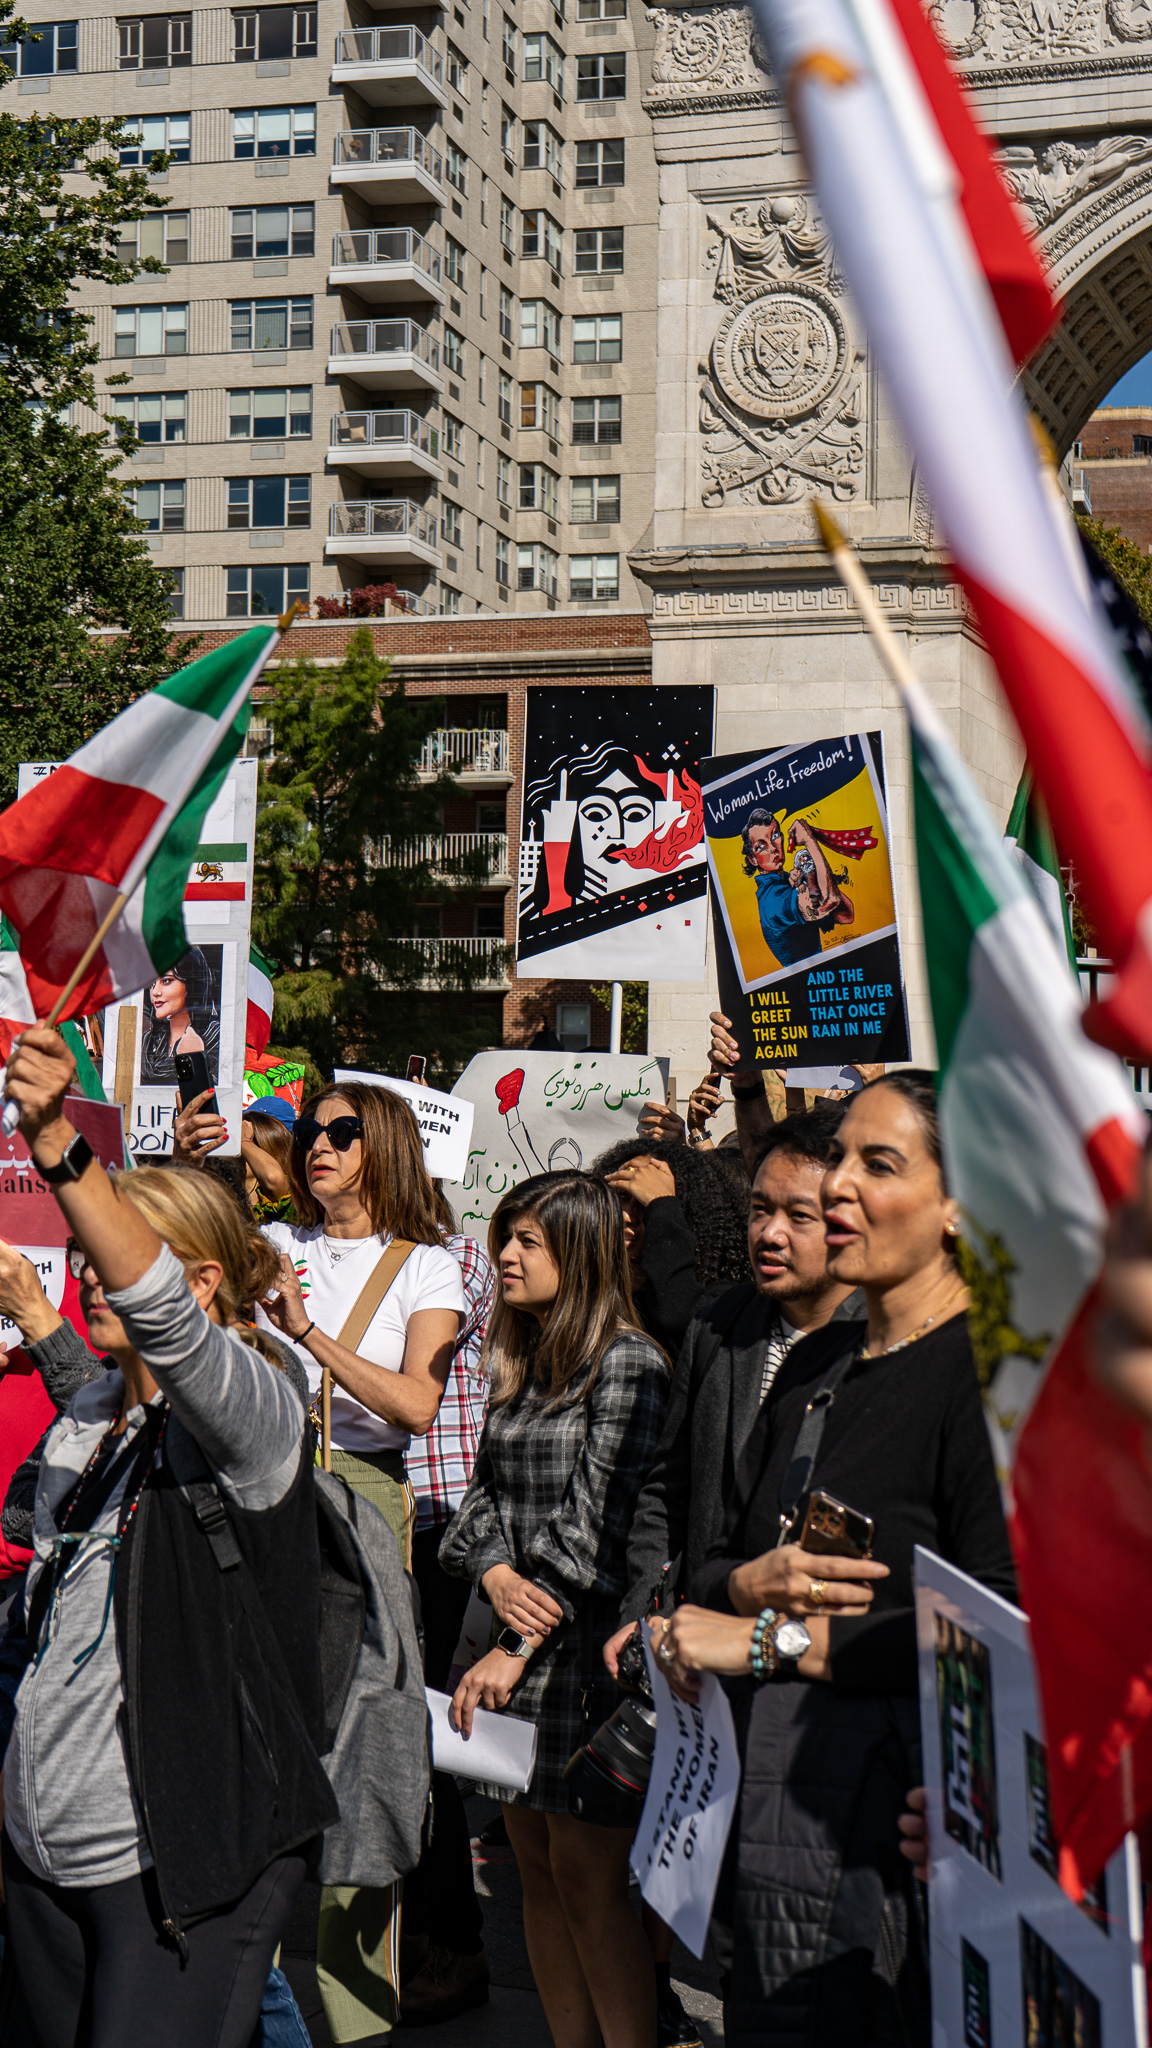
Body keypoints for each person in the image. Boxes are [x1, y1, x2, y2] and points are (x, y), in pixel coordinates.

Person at [655, 1071, 1017, 2048]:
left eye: (880, 1164)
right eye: (841, 1157)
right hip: (786, 1807)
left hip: (901, 1844)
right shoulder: (819, 1374)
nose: (840, 1185)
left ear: (960, 1203)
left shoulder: (989, 1376)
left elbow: (1002, 1633)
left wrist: (768, 1641)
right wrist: (744, 1585)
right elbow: (719, 1562)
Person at [0, 1025, 337, 2048]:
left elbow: (171, 1332)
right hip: (46, 1858)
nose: (91, 1277)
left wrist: (55, 1142)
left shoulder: (256, 1407)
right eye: (89, 1257)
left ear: (196, 1281)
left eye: (115, 1256)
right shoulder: (88, 1412)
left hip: (180, 1859)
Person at [440, 1173, 670, 2048]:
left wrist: (512, 1639)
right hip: (517, 1646)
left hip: (586, 1657)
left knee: (587, 1878)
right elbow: (477, 1504)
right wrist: (496, 1575)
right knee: (534, 1869)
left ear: (577, 1253)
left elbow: (598, 1526)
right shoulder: (521, 1357)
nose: (505, 1254)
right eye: (505, 1236)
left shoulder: (629, 1363)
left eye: (527, 1241)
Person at [256, 1081, 463, 2048]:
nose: (319, 1145)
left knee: (361, 1753)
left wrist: (304, 1332)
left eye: (342, 1131)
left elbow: (417, 1405)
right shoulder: (273, 1242)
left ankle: (354, 2020)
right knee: (255, 1740)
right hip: (263, 1490)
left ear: (383, 1146)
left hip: (366, 1499)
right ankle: (247, 1995)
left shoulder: (426, 1266)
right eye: (311, 1130)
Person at [606, 1104, 863, 1665]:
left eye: (799, 1215)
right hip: (695, 1658)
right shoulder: (718, 1326)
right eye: (759, 1210)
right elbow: (667, 1493)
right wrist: (644, 1612)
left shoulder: (888, 1346)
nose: (770, 1234)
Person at [399, 1188, 496, 2026]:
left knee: (419, 1728)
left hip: (434, 1519)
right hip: (372, 1511)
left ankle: (451, 1943)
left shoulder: (452, 1259)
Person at [595, 1136, 752, 1358]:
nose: (627, 1216)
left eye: (646, 1203)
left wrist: (662, 1205)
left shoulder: (727, 1303)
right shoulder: (592, 1299)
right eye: (622, 1196)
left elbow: (679, 1317)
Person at [742, 809, 853, 970]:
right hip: (804, 978)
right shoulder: (771, 900)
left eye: (775, 836)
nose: (773, 848)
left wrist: (811, 876)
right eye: (761, 847)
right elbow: (831, 900)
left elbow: (846, 915)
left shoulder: (790, 880)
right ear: (752, 860)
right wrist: (809, 841)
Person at [139, 948, 221, 1087]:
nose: (155, 992)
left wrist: (195, 1060)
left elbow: (217, 1095)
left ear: (191, 984)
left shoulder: (217, 1039)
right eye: (152, 984)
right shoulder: (146, 1042)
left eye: (166, 981)